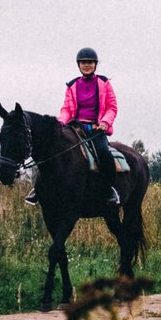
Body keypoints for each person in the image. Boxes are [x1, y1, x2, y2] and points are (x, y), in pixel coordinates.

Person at [57, 47, 123, 211]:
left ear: (95, 64)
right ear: (78, 65)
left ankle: (110, 191)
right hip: (75, 128)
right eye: (83, 62)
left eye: (90, 62)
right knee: (55, 151)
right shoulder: (72, 85)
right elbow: (66, 109)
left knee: (104, 153)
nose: (86, 65)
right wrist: (60, 123)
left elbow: (111, 107)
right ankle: (41, 189)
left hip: (96, 129)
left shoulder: (104, 83)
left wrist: (105, 123)